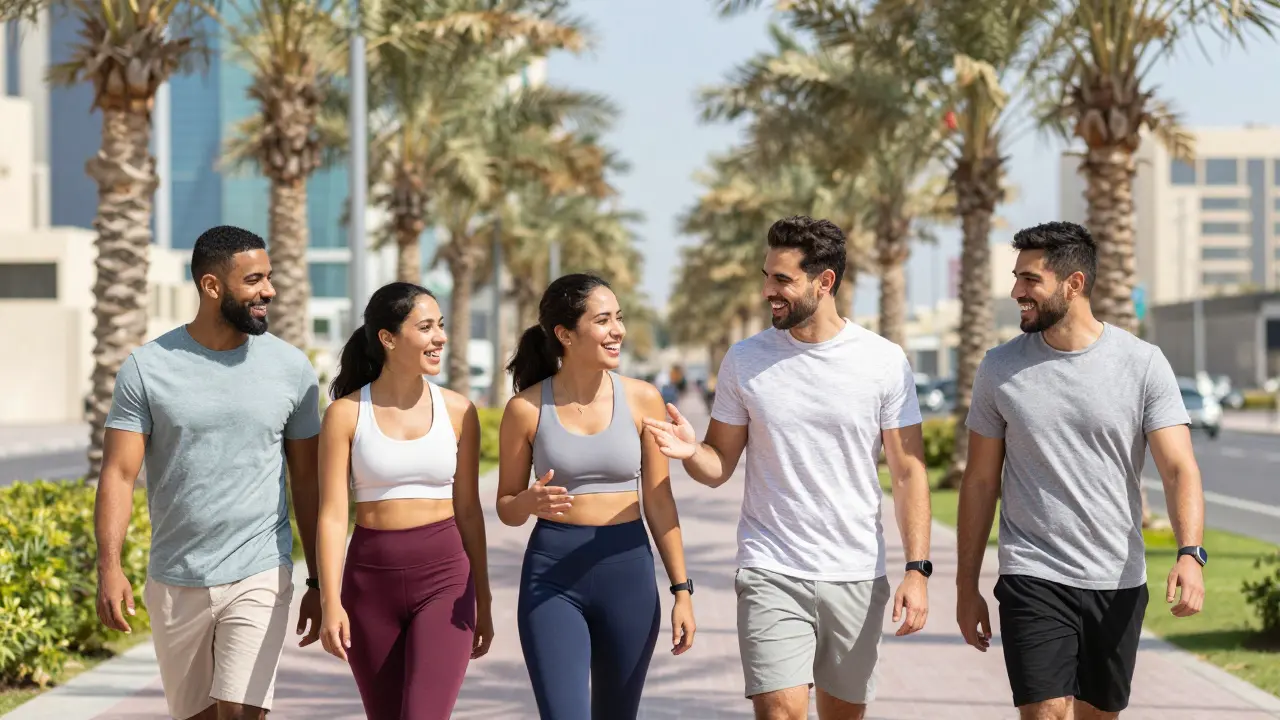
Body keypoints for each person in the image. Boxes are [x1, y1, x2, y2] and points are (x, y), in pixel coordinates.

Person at [643, 216, 933, 720]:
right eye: (766, 276)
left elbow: (908, 472)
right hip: (770, 566)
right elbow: (718, 466)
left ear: (825, 282)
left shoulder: (883, 361)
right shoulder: (745, 359)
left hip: (855, 572)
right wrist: (691, 452)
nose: (766, 291)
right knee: (780, 711)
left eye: (782, 280)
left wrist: (917, 569)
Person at [954, 221, 1207, 720]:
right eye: (1016, 278)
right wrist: (966, 585)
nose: (1016, 292)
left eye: (1030, 280)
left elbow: (1179, 468)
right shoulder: (999, 368)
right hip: (1033, 571)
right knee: (1047, 711)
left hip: (1116, 577)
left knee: (1097, 714)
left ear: (1074, 284)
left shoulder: (1142, 364)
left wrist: (1190, 553)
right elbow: (980, 481)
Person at [94, 225, 323, 720]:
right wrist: (109, 568)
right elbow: (117, 474)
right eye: (255, 280)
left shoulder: (291, 368)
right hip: (176, 576)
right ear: (212, 286)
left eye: (269, 277)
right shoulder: (147, 367)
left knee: (241, 712)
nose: (270, 291)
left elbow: (307, 481)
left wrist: (320, 581)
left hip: (260, 566)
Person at [496, 272, 696, 720]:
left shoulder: (643, 399)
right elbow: (506, 508)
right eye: (603, 320)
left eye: (618, 318)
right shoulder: (525, 409)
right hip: (551, 576)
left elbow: (660, 502)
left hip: (628, 573)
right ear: (565, 334)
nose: (618, 330)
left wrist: (682, 591)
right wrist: (528, 502)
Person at [315, 282, 492, 720]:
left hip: (446, 580)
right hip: (368, 585)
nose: (441, 338)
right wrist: (329, 602)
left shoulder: (459, 411)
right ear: (388, 338)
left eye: (442, 326)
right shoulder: (345, 414)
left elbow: (469, 510)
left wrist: (484, 600)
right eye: (426, 327)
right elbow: (334, 517)